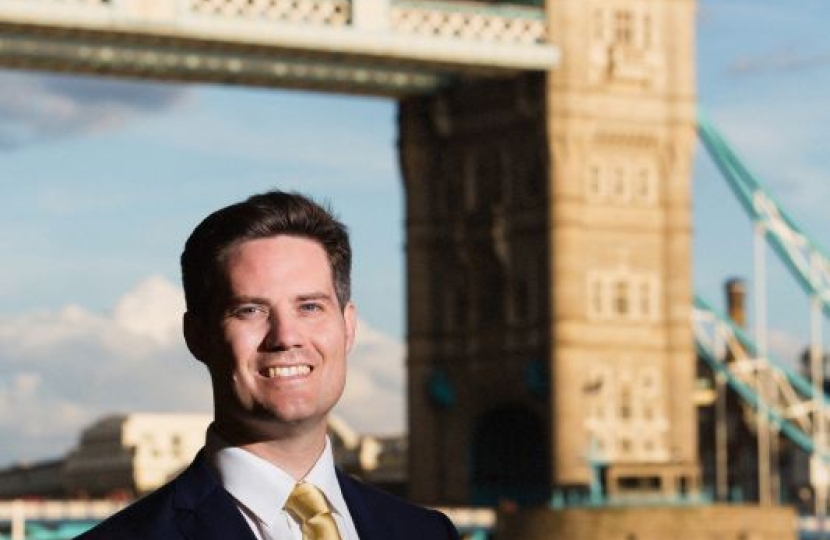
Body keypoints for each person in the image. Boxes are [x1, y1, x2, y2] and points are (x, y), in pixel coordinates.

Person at [77, 190, 459, 540]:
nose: (285, 336)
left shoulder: (426, 533)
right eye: (250, 310)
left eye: (309, 306)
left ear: (348, 327)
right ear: (198, 336)